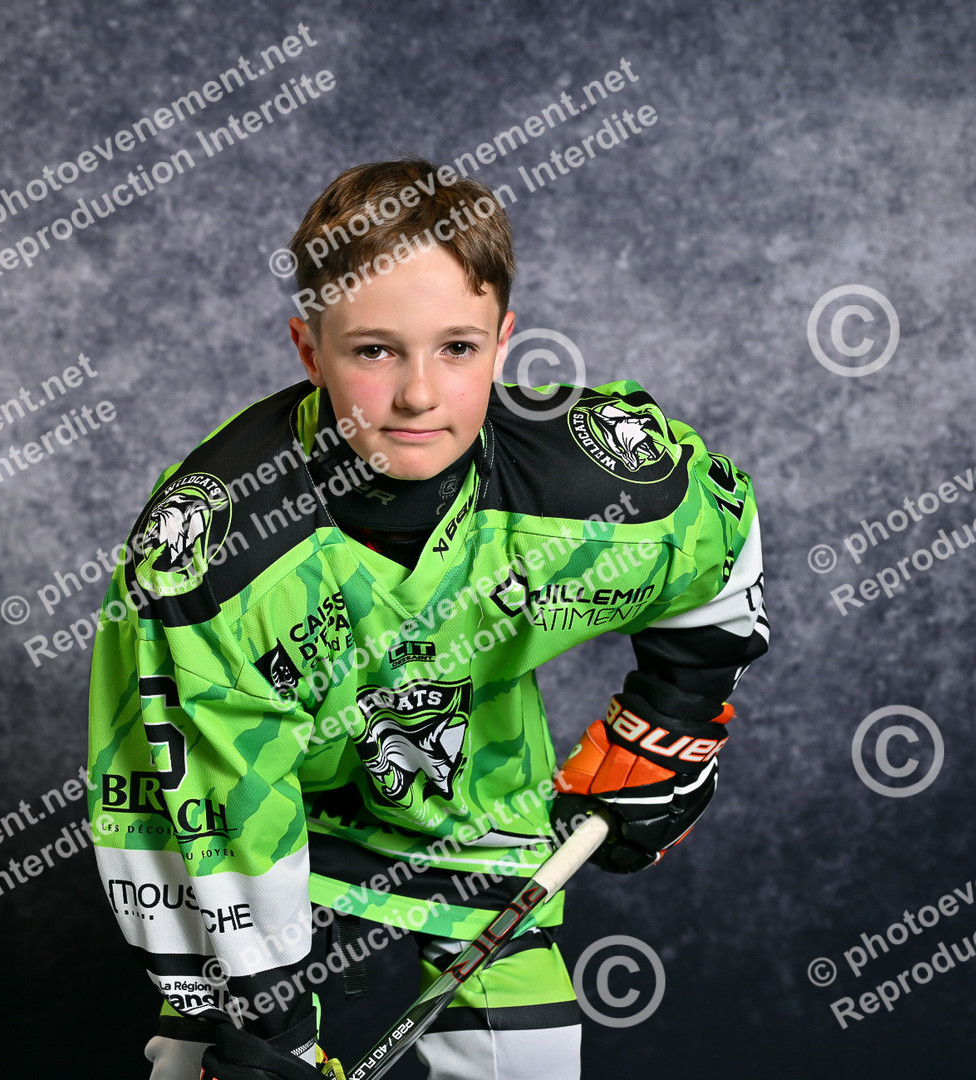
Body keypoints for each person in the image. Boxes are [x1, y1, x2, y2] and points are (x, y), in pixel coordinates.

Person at [86, 157, 769, 1080]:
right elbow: (208, 807)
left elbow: (718, 549)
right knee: (212, 1059)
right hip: (266, 831)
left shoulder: (595, 485)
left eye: (457, 348)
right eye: (374, 351)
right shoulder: (214, 551)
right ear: (309, 350)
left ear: (504, 341)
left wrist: (669, 722)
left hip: (475, 810)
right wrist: (270, 1029)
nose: (418, 394)